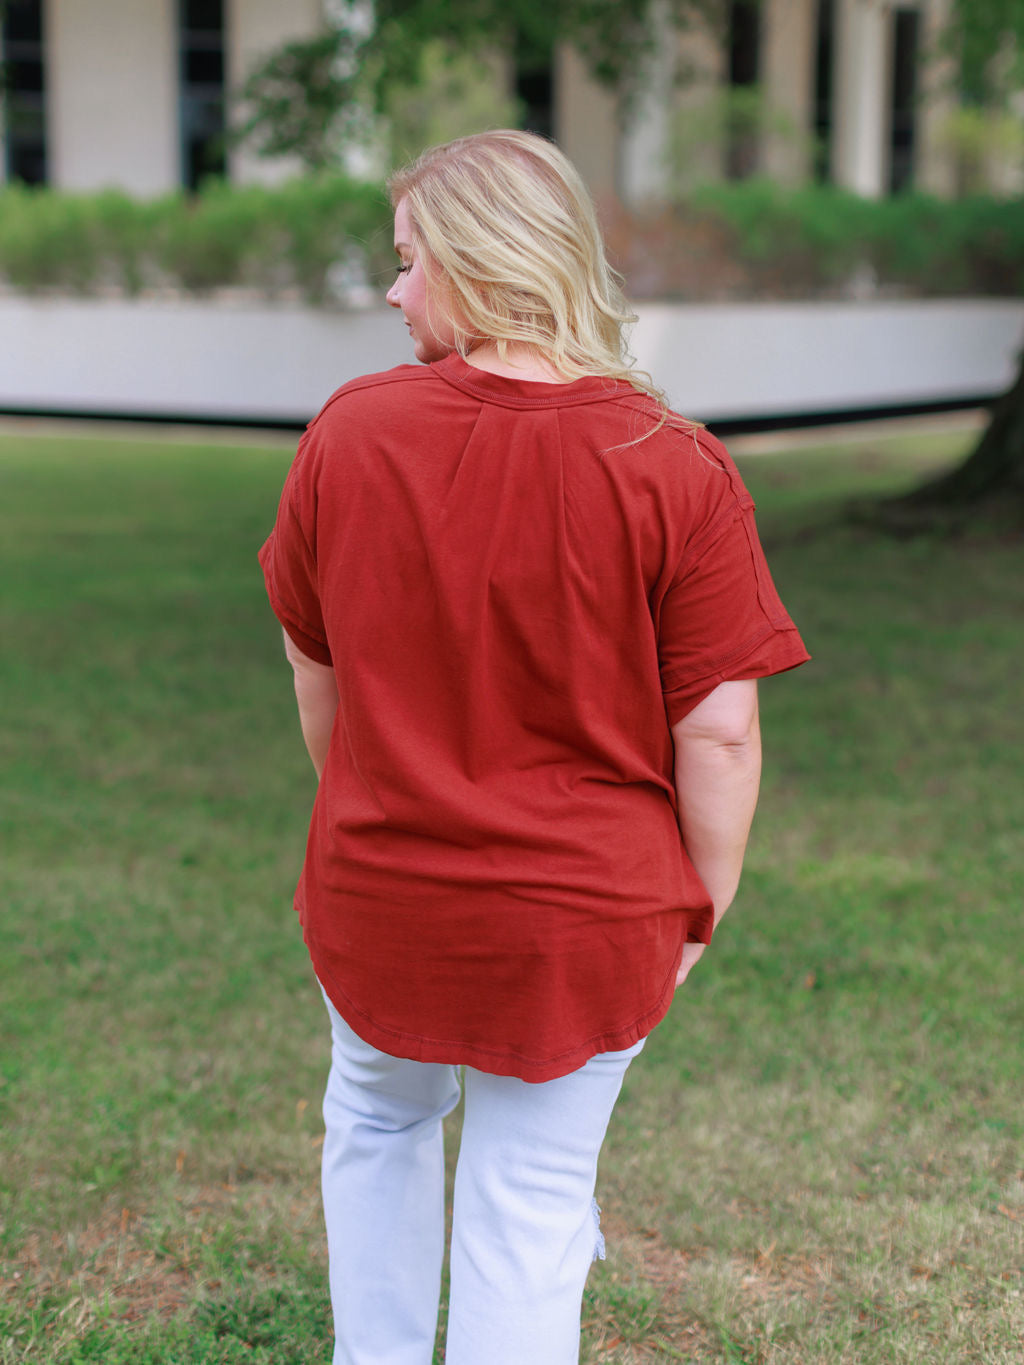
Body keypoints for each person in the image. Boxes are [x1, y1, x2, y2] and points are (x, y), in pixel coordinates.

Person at [259, 129, 809, 1365]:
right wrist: (700, 907)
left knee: (378, 1126)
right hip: (589, 910)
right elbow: (720, 732)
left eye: (409, 260)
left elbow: (315, 671)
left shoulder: (348, 434)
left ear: (478, 260)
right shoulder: (674, 465)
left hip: (384, 888)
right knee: (529, 1198)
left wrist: (373, 814)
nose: (394, 291)